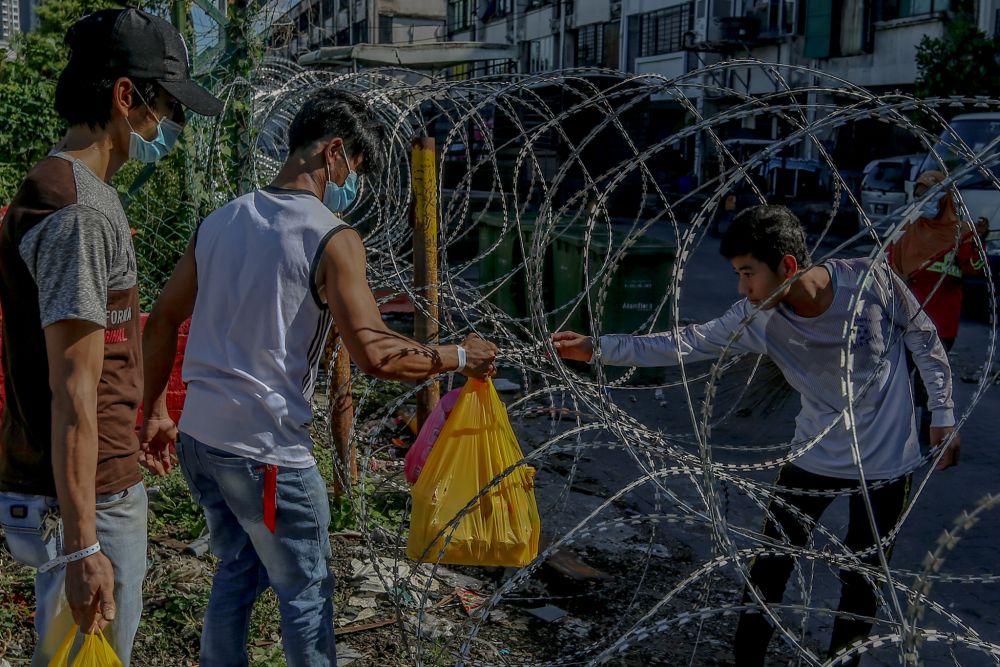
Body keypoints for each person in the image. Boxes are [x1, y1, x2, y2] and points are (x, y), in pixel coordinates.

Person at [140, 89, 497, 666]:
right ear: (332, 153)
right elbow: (377, 355)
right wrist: (459, 356)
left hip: (202, 441)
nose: (348, 185)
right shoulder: (330, 238)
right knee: (305, 592)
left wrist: (156, 411)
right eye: (351, 169)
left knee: (237, 568)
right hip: (267, 456)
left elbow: (160, 321)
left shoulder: (222, 220)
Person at [551, 205, 960, 666]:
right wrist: (598, 348)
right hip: (814, 458)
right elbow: (683, 343)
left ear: (787, 265)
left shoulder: (870, 280)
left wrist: (942, 413)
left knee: (861, 580)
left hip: (888, 463)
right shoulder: (758, 318)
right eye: (737, 275)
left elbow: (922, 336)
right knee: (769, 570)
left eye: (748, 273)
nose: (743, 289)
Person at [0, 8, 222, 665]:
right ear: (126, 96)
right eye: (166, 108)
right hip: (91, 496)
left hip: (86, 483)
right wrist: (83, 546)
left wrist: (141, 413)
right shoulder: (79, 212)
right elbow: (74, 393)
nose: (171, 127)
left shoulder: (68, 192)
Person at [889, 170, 986, 444]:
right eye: (920, 196)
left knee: (928, 382)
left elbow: (975, 270)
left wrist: (977, 243)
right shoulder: (906, 230)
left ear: (946, 199)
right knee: (897, 381)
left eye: (932, 196)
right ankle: (897, 436)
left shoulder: (963, 234)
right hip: (904, 320)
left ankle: (928, 438)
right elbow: (885, 265)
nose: (925, 202)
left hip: (940, 325)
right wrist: (897, 278)